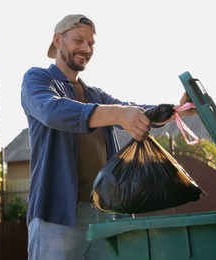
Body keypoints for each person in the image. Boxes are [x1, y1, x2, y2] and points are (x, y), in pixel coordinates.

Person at [21, 14, 194, 259]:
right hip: (58, 217)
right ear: (58, 40)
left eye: (91, 44)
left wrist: (177, 111)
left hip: (106, 215)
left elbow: (135, 110)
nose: (86, 48)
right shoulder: (37, 79)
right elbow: (52, 111)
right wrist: (118, 114)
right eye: (79, 40)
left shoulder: (96, 95)